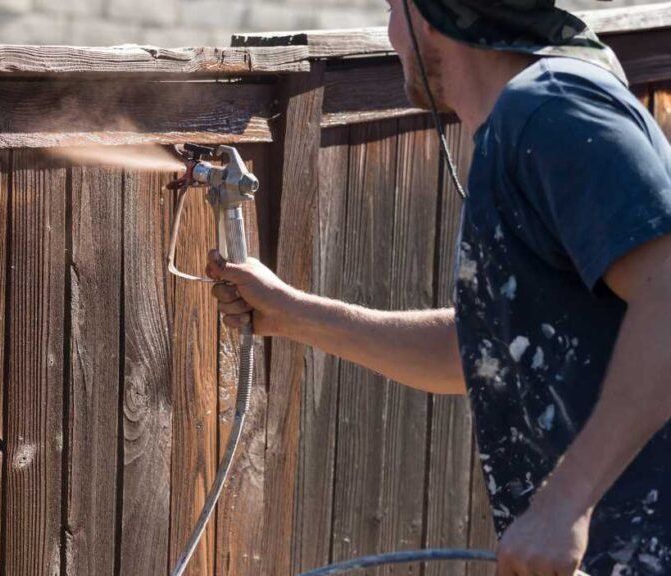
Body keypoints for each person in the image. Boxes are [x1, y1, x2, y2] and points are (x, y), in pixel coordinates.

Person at [206, 1, 671, 575]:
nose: (390, 33)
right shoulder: (527, 119)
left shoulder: (553, 109)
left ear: (430, 14)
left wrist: (565, 501)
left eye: (393, 8)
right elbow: (484, 352)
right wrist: (288, 314)